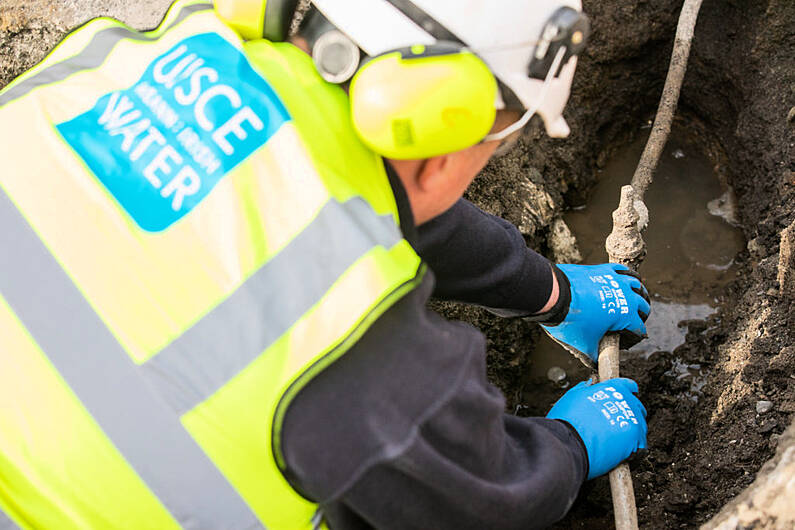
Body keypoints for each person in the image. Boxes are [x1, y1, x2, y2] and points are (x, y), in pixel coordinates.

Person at [0, 0, 650, 528]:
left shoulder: (119, 62)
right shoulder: (347, 338)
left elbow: (350, 206)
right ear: (448, 148)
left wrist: (547, 291)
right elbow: (482, 497)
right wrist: (566, 446)